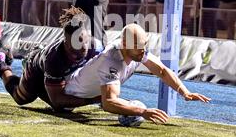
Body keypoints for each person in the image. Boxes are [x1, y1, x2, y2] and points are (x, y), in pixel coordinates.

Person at [62, 23, 211, 124]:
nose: (143, 50)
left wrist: (185, 92)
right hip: (70, 97)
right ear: (124, 45)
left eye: (144, 45)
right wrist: (143, 111)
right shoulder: (110, 60)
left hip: (92, 95)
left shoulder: (138, 51)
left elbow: (162, 71)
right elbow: (109, 103)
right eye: (139, 46)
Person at [0, 6, 102, 111]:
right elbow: (57, 101)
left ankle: (32, 57)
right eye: (79, 42)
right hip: (37, 70)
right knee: (21, 98)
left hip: (59, 71)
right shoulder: (54, 59)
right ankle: (1, 64)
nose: (84, 47)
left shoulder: (96, 47)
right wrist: (96, 99)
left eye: (86, 40)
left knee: (68, 104)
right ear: (67, 42)